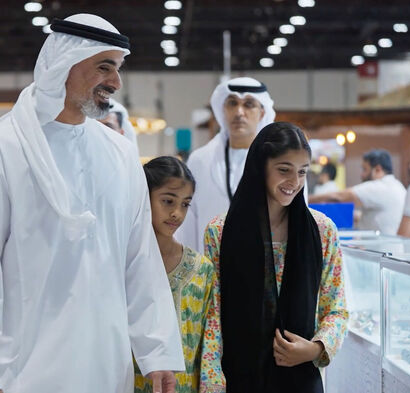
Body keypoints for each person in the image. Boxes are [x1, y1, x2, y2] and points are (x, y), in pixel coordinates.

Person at [0, 14, 184, 393]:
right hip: (22, 368)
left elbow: (139, 259)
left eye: (118, 68)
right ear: (63, 64)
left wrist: (157, 351)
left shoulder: (119, 152)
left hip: (105, 363)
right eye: (104, 67)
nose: (115, 82)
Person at [204, 122, 348, 392]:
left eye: (302, 172)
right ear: (260, 167)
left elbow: (336, 308)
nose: (294, 182)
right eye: (284, 170)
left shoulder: (322, 230)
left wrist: (315, 349)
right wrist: (212, 383)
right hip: (239, 377)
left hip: (300, 379)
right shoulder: (220, 232)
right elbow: (213, 314)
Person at [135, 156, 225, 393]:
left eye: (185, 204)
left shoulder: (201, 270)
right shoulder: (126, 265)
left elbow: (210, 343)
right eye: (167, 201)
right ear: (144, 197)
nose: (176, 213)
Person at [176, 77, 276, 253]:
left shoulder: (278, 162)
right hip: (210, 268)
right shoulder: (200, 160)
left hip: (264, 267)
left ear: (262, 113)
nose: (239, 112)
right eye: (232, 103)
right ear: (223, 110)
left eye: (249, 104)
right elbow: (189, 221)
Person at [309, 149, 406, 234]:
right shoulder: (398, 186)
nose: (362, 175)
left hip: (379, 250)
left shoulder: (380, 187)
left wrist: (307, 199)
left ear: (377, 169)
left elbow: (339, 197)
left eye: (365, 169)